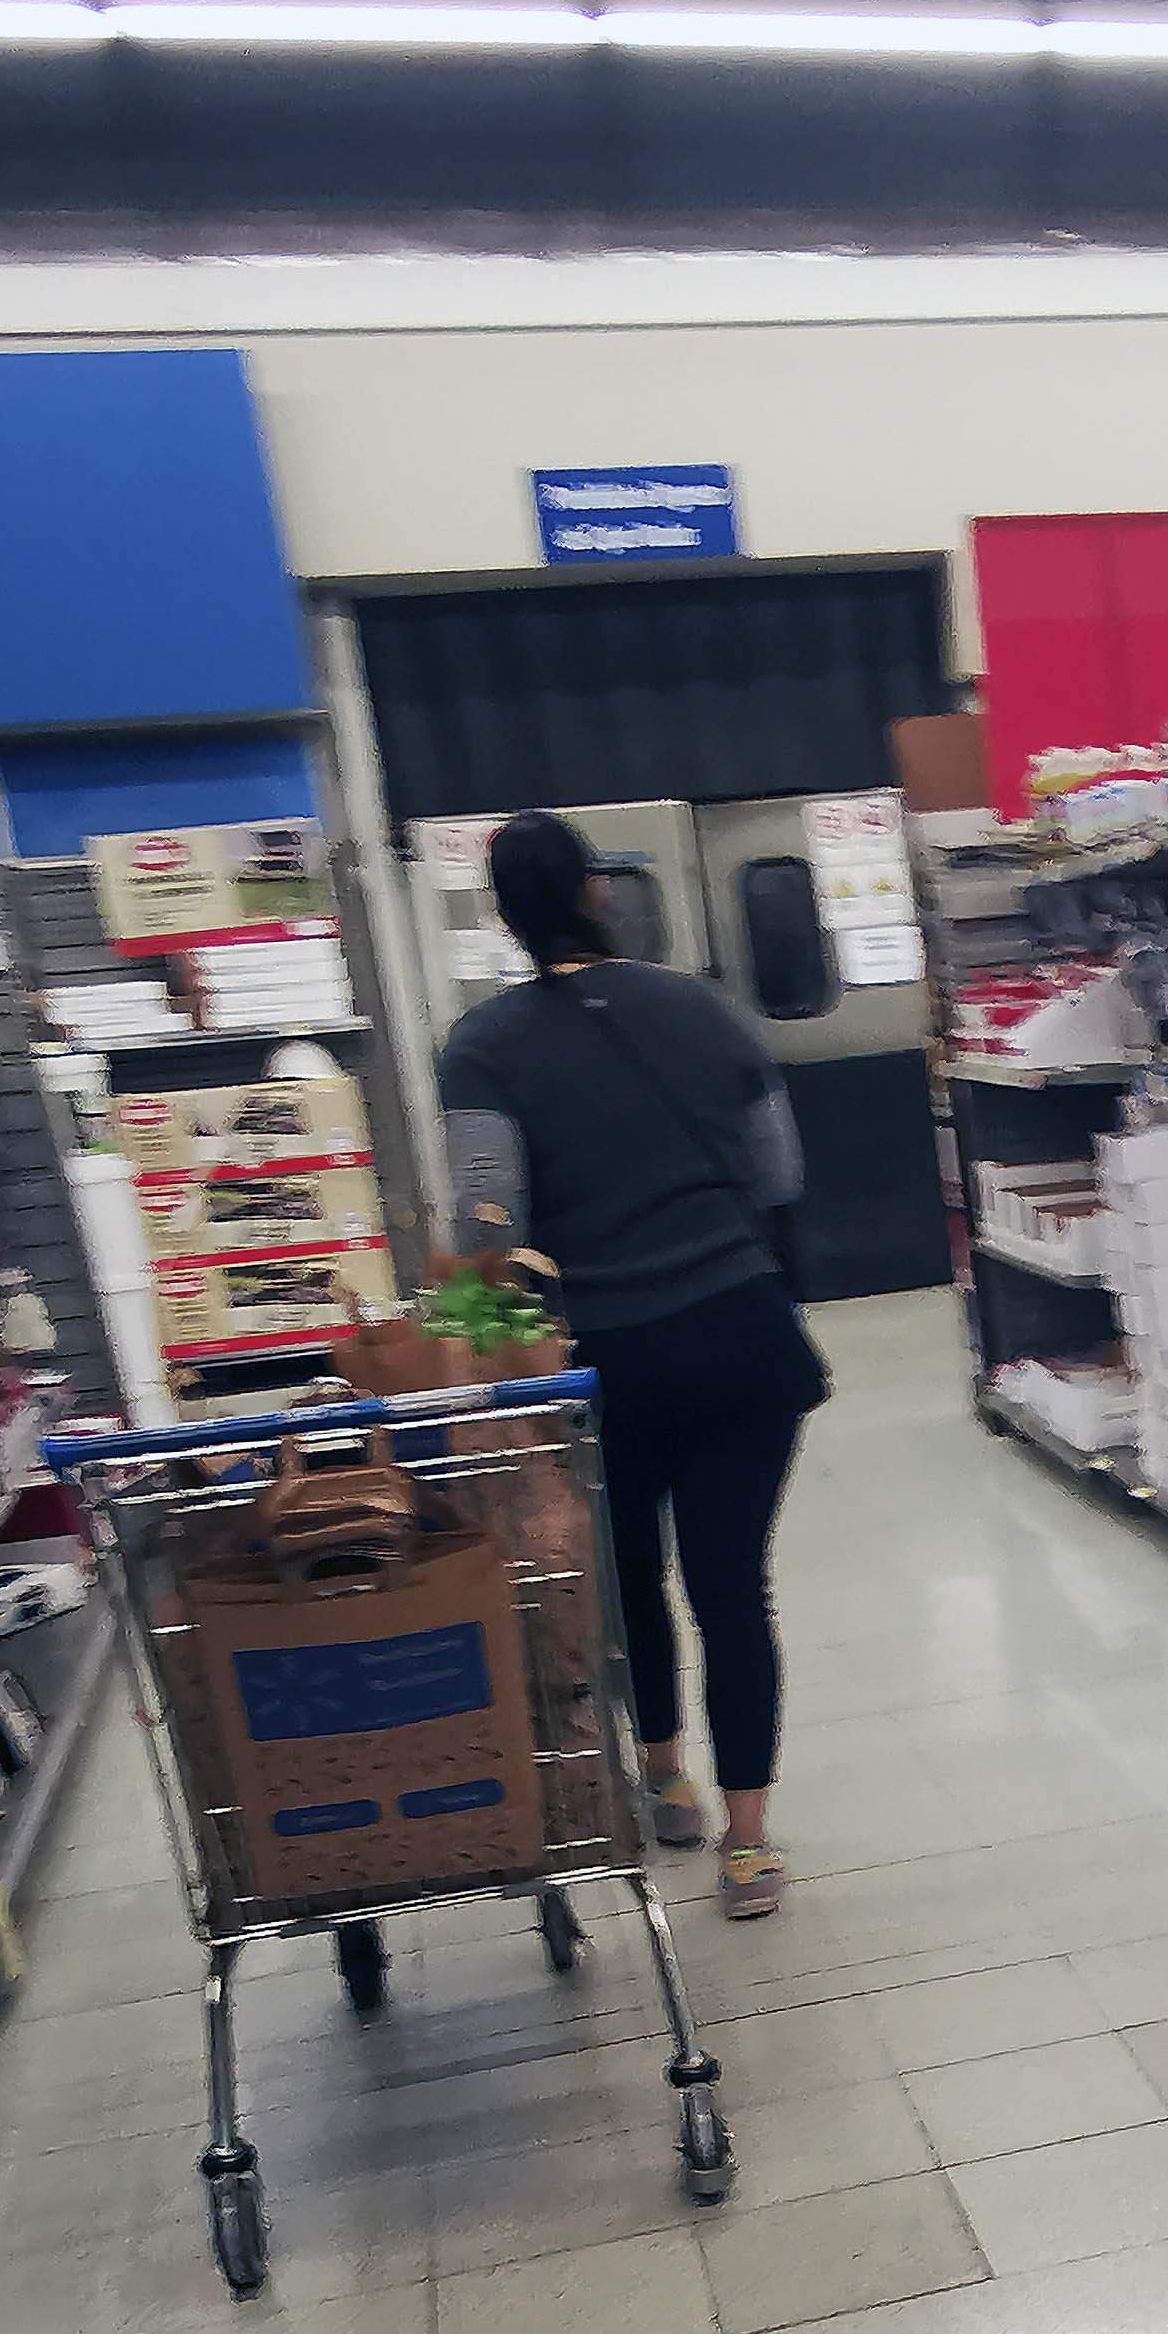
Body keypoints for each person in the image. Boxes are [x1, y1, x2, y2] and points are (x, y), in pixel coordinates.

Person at [439, 811, 830, 1919]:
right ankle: (748, 1847)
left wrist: (483, 1340)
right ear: (597, 894)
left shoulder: (481, 1046)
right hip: (740, 1337)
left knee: (627, 1580)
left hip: (600, 1362)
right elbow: (778, 1168)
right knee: (731, 1588)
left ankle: (664, 1780)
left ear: (506, 918)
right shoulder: (701, 1004)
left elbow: (486, 1225)